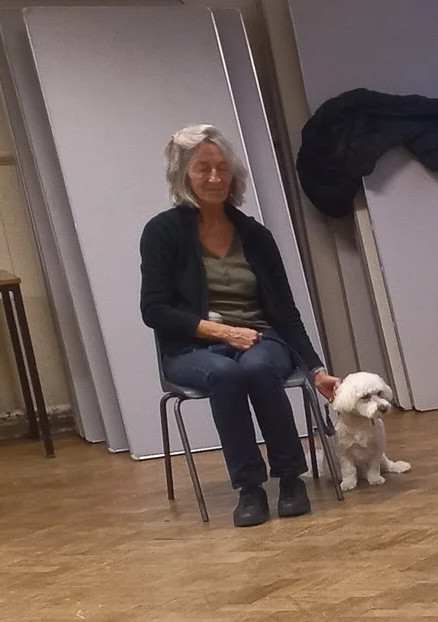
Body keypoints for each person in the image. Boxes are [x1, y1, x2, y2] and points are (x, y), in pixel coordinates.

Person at [140, 124, 339, 528]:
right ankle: (249, 488)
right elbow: (154, 311)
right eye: (202, 168)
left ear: (233, 176)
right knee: (225, 373)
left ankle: (289, 479)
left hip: (262, 338)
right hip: (192, 349)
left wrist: (315, 369)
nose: (214, 177)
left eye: (221, 168)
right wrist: (223, 333)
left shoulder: (255, 235)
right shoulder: (162, 232)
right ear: (183, 175)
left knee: (257, 366)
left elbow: (286, 314)